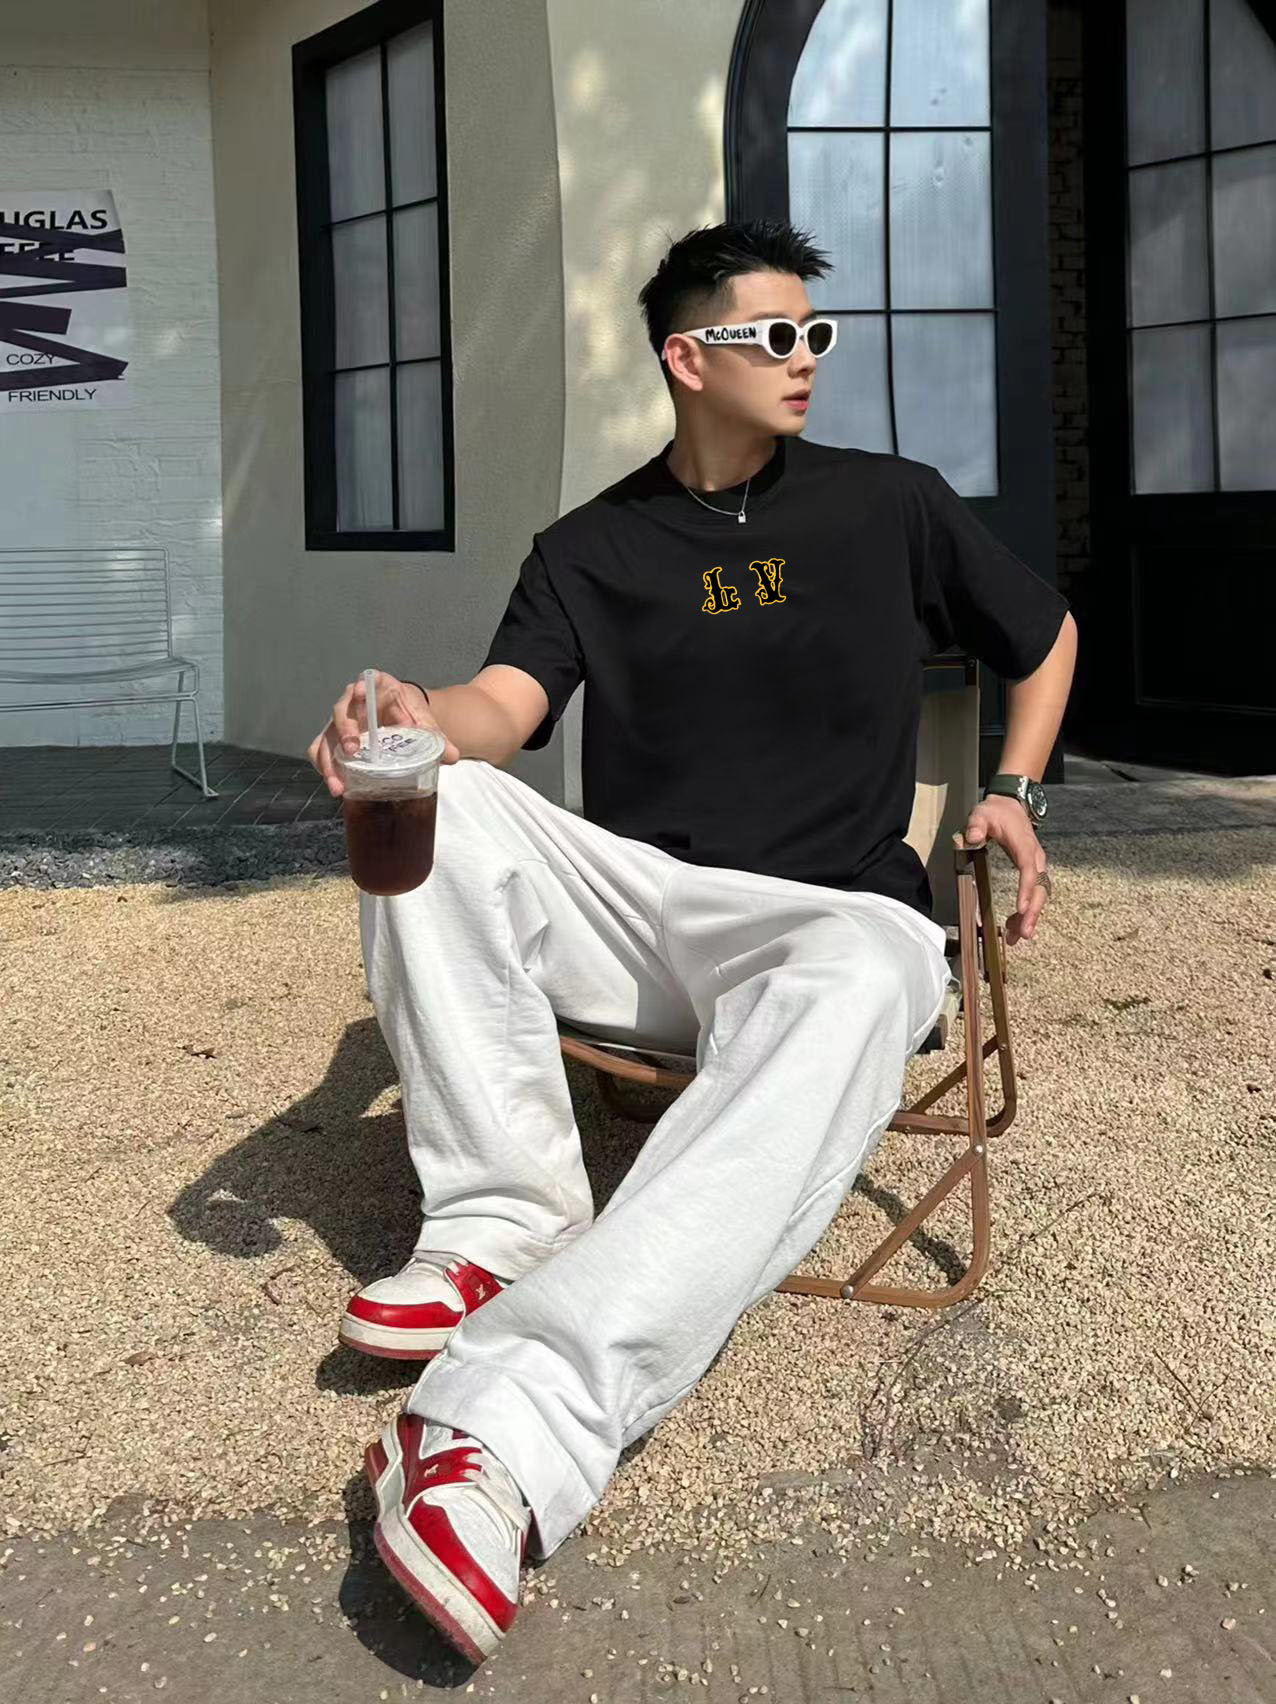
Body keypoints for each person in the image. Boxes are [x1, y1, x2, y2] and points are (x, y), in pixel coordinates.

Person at [307, 218, 1076, 1665]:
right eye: (773, 335)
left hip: (827, 919)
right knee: (437, 799)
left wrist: (1016, 794)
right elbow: (503, 709)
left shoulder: (889, 505)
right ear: (686, 358)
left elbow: (1043, 638)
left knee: (874, 968)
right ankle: (501, 1221)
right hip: (650, 909)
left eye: (814, 334)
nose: (805, 359)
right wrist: (413, 721)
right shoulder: (590, 547)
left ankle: (500, 1428)